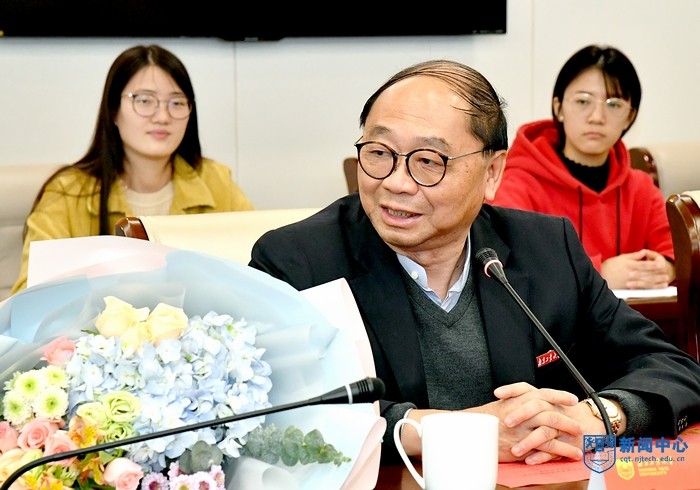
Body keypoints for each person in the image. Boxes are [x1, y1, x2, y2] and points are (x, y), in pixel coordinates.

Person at [248, 59, 700, 465]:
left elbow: (672, 368)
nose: (397, 182)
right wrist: (459, 433)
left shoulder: (546, 248)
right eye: (379, 153)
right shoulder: (298, 263)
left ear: (492, 172)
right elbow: (270, 414)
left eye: (429, 161)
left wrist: (598, 417)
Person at [11, 44, 254, 293]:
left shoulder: (216, 181)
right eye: (145, 100)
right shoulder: (67, 193)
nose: (163, 116)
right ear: (114, 111)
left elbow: (258, 275)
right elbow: (28, 297)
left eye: (177, 102)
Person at [489, 45, 674, 290]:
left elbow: (677, 253)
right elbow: (511, 267)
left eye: (614, 104)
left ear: (630, 117)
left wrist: (666, 268)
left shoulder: (641, 188)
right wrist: (599, 273)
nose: (597, 117)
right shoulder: (517, 184)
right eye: (583, 101)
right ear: (558, 108)